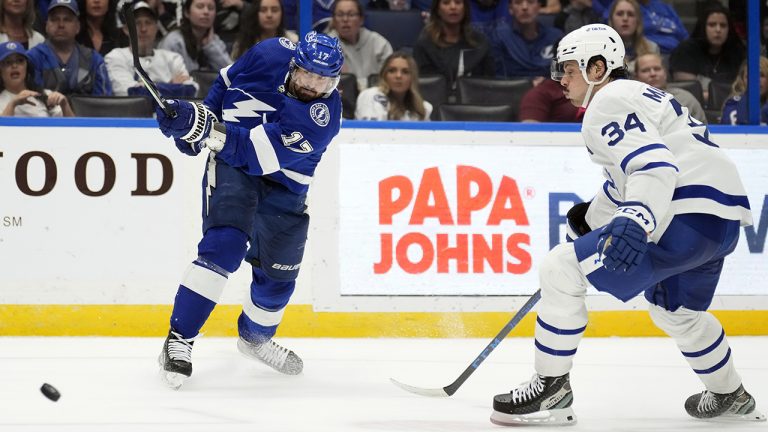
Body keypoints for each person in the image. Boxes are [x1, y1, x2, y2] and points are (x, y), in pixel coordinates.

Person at [490, 23, 764, 426]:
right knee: (676, 311)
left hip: (680, 214)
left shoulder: (608, 102)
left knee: (559, 269)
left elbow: (654, 165)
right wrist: (592, 219)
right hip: (718, 222)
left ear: (597, 68)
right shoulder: (641, 96)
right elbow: (632, 178)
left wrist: (636, 219)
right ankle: (730, 394)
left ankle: (551, 390)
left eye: (569, 69)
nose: (560, 79)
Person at [153, 31, 344, 389]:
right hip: (233, 169)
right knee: (224, 246)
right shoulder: (269, 52)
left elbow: (254, 153)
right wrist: (197, 122)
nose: (313, 86)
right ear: (293, 65)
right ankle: (179, 340)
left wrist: (202, 129)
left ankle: (254, 339)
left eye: (323, 80)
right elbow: (227, 81)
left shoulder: (321, 119)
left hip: (283, 183)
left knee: (278, 280)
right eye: (307, 75)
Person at [105, 1, 197, 98]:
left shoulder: (173, 58)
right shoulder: (115, 57)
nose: (143, 29)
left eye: (148, 22)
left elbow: (192, 89)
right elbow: (130, 94)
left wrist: (143, 87)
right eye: (137, 23)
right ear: (126, 29)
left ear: (156, 28)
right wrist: (171, 85)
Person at [26, 0, 112, 95]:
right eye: (54, 19)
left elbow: (104, 102)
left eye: (67, 20)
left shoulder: (94, 60)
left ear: (77, 27)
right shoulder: (33, 58)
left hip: (86, 110)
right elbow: (32, 99)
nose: (61, 25)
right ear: (46, 25)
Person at [413, 0, 494, 97]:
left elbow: (489, 83)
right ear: (438, 10)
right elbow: (424, 87)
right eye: (446, 3)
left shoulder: (479, 42)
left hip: (475, 103)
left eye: (458, 2)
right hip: (437, 105)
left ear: (465, 8)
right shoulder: (425, 44)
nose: (453, 7)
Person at [669, 2, 745, 105]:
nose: (718, 30)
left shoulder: (738, 53)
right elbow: (689, 92)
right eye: (712, 25)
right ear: (703, 27)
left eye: (723, 25)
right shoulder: (685, 51)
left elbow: (743, 90)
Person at [487, 0, 562, 81]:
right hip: (512, 90)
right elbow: (497, 78)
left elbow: (560, 77)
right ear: (510, 9)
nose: (524, 7)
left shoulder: (555, 36)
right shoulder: (500, 36)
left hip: (548, 90)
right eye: (518, 2)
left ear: (539, 7)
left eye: (531, 2)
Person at [326, 0, 392, 90]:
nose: (345, 19)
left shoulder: (379, 44)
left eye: (351, 15)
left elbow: (390, 79)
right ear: (333, 20)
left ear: (361, 20)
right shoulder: (326, 47)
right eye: (340, 15)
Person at [0, 40, 73, 115]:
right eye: (8, 62)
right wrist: (12, 104)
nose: (14, 66)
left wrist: (65, 105)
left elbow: (73, 126)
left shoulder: (45, 95)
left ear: (27, 66)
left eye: (20, 60)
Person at [158, 0, 232, 72]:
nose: (206, 12)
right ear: (187, 12)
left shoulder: (215, 40)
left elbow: (232, 73)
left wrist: (210, 46)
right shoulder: (174, 41)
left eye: (211, 8)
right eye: (200, 7)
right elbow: (162, 75)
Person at [355, 51, 432, 120]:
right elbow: (372, 131)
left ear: (413, 78)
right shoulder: (371, 95)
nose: (398, 76)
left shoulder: (423, 109)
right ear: (384, 75)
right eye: (392, 71)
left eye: (405, 72)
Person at [634, 52, 706, 123]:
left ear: (665, 73)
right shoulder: (631, 101)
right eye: (645, 70)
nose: (653, 74)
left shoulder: (685, 98)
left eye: (657, 69)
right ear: (636, 77)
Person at [230, 0, 297, 60]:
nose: (269, 15)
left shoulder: (294, 41)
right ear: (255, 13)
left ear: (282, 13)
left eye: (274, 10)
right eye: (263, 10)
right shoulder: (242, 44)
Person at [607, 0, 657, 72]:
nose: (625, 18)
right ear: (611, 20)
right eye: (620, 14)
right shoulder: (602, 50)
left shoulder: (651, 48)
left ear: (638, 20)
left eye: (630, 14)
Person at [720, 57, 768, 125]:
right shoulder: (733, 105)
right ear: (742, 80)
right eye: (749, 76)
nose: (755, 80)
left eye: (761, 75)